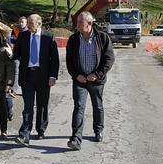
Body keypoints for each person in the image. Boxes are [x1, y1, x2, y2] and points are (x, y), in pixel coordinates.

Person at [66, 11, 115, 151]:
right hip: (80, 80)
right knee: (79, 107)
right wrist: (76, 75)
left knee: (97, 106)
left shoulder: (102, 37)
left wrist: (97, 74)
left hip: (96, 80)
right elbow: (69, 61)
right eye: (77, 23)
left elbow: (109, 59)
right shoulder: (73, 39)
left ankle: (98, 130)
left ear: (90, 24)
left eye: (81, 23)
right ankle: (76, 138)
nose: (77, 26)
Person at [13, 14, 60, 146]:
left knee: (42, 105)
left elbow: (54, 59)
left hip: (43, 76)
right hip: (27, 75)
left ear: (39, 24)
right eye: (27, 23)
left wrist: (52, 76)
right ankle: (25, 133)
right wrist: (10, 53)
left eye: (30, 23)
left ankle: (41, 129)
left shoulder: (48, 38)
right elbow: (16, 54)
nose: (27, 25)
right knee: (28, 106)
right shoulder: (23, 36)